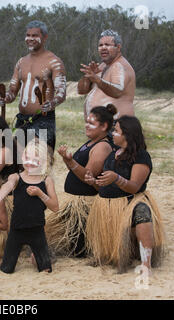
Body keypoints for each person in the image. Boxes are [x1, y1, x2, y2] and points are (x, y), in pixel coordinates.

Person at [84, 116, 166, 273]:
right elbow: (103, 183)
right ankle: (107, 254)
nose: (112, 134)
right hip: (108, 205)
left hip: (130, 201)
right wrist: (93, 181)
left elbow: (134, 187)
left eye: (116, 131)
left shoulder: (141, 156)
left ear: (127, 134)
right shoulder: (112, 154)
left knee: (142, 212)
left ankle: (146, 263)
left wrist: (116, 178)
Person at [45, 104, 116, 257]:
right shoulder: (91, 142)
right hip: (74, 201)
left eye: (91, 123)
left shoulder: (102, 146)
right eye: (86, 121)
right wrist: (67, 159)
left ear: (104, 126)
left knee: (79, 249)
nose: (86, 125)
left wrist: (70, 162)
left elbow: (88, 176)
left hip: (84, 204)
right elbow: (75, 167)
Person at [0, 139, 59, 274]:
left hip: (37, 230)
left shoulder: (46, 181)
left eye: (35, 159)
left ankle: (36, 256)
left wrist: (40, 194)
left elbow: (55, 207)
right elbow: (7, 185)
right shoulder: (16, 177)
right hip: (17, 229)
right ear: (22, 157)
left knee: (45, 269)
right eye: (27, 158)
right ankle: (29, 256)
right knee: (6, 269)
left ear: (44, 162)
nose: (30, 162)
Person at [0, 20, 67, 151]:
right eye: (28, 35)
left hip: (43, 120)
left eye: (35, 36)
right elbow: (13, 90)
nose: (30, 39)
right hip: (22, 120)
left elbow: (61, 93)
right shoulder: (21, 62)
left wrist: (52, 103)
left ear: (44, 37)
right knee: (16, 159)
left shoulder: (54, 62)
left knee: (38, 160)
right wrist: (5, 98)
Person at [78, 29, 136, 121]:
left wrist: (97, 79)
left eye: (107, 45)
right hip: (102, 128)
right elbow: (81, 91)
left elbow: (117, 92)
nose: (103, 48)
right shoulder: (102, 66)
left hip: (118, 125)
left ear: (118, 47)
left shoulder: (119, 66)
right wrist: (88, 77)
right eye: (100, 45)